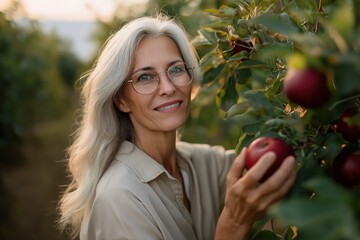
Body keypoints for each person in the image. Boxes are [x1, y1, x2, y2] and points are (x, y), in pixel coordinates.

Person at [58, 14, 297, 240]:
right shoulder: (119, 196)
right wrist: (233, 223)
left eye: (175, 69)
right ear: (120, 100)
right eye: (145, 77)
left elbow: (278, 168)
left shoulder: (199, 164)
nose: (168, 87)